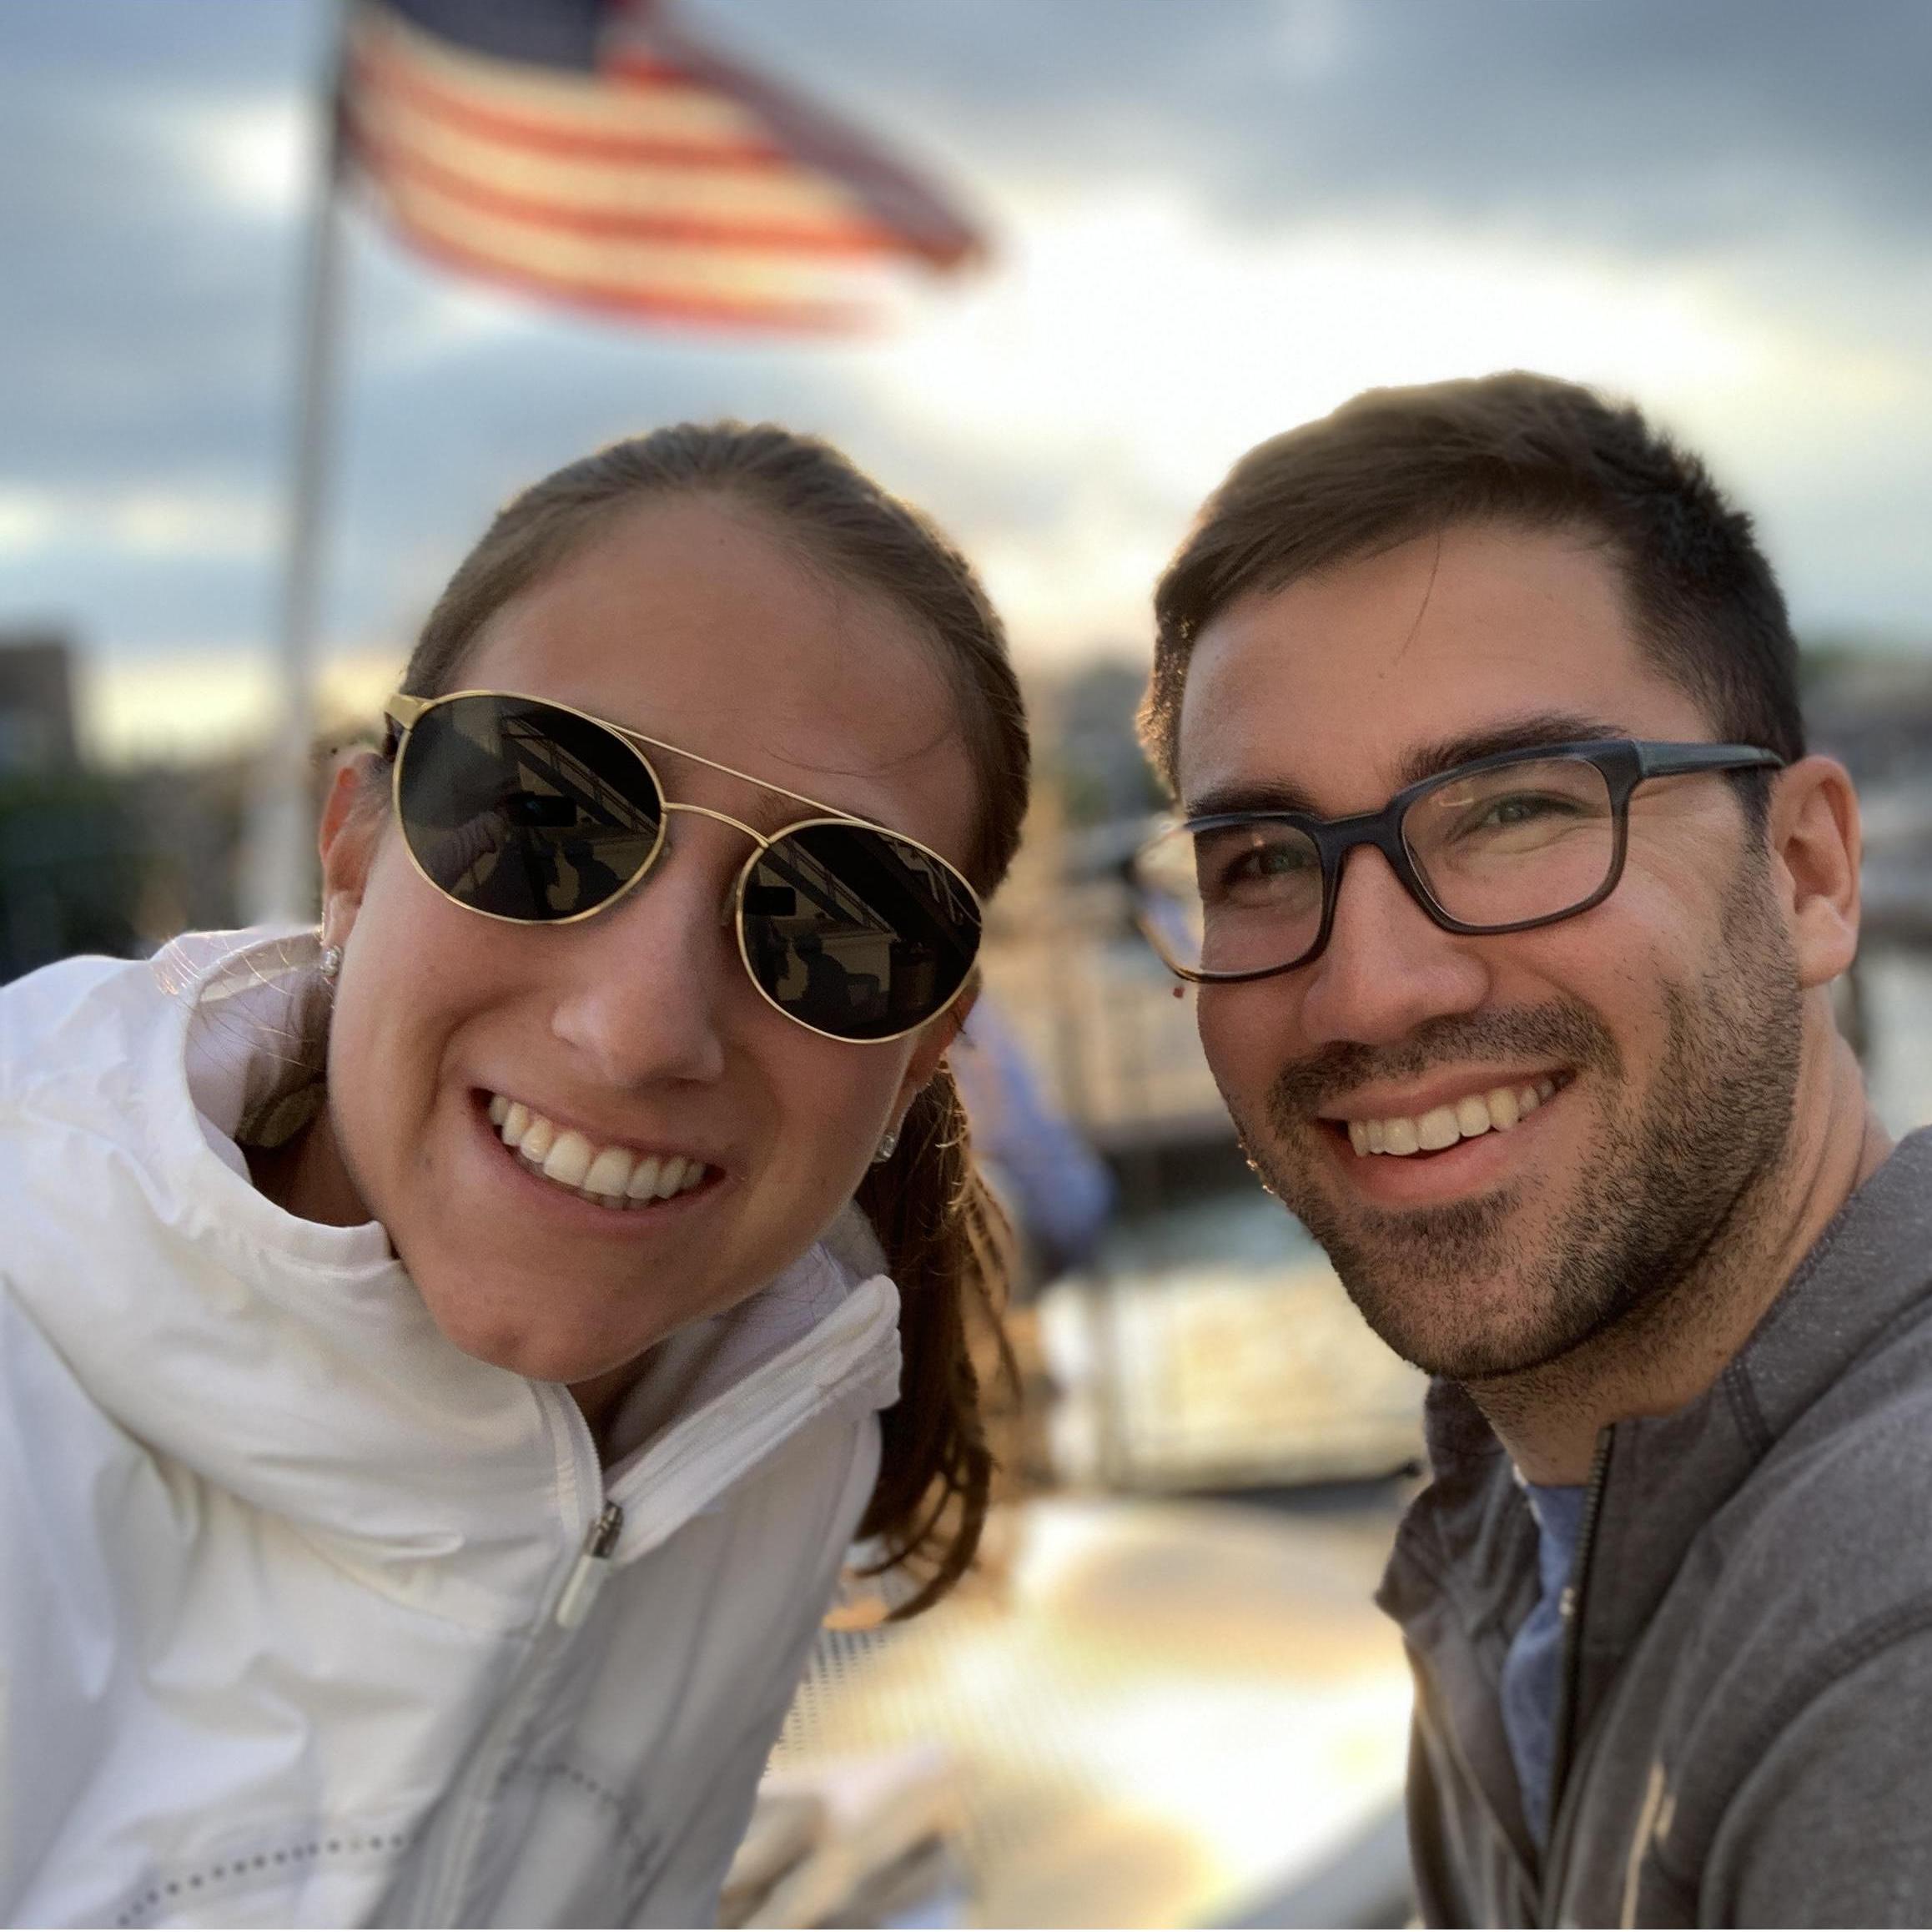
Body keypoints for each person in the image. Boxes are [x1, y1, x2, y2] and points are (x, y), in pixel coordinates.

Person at [0, 422, 1029, 1926]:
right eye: (545, 817)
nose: (639, 1029)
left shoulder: (774, 1451)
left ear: (922, 1052)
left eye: (839, 917)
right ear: (353, 852)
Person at [1132, 372, 1932, 1925]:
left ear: (1809, 873)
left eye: (1512, 813)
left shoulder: (1886, 1648)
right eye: (1263, 863)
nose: (1369, 988)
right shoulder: (1525, 1524)